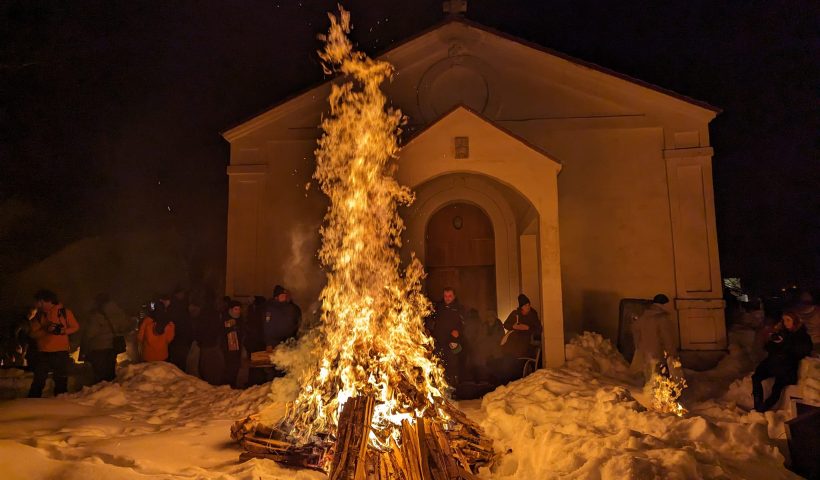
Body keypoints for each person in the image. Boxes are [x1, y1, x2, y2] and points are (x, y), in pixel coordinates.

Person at [752, 311, 813, 412]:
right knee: (756, 377)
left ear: (795, 321)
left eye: (788, 320)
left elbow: (802, 350)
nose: (785, 323)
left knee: (777, 388)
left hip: (787, 368)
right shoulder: (782, 332)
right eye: (784, 320)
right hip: (773, 364)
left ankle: (763, 408)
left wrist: (785, 343)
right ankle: (757, 405)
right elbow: (768, 348)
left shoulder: (801, 335)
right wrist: (773, 341)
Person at [28, 289, 80, 397]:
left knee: (60, 380)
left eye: (38, 301)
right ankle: (32, 403)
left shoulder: (64, 312)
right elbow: (32, 334)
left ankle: (60, 404)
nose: (36, 304)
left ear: (44, 301)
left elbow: (75, 327)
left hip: (60, 352)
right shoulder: (39, 315)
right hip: (43, 352)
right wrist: (46, 329)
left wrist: (62, 331)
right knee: (38, 380)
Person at [81, 293, 130, 383]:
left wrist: (84, 349)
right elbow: (125, 327)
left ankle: (101, 394)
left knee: (99, 375)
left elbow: (89, 333)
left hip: (98, 348)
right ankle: (111, 393)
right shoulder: (118, 312)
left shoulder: (96, 315)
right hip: (113, 347)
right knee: (110, 372)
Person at [630, 294, 677, 381]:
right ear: (664, 304)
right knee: (659, 378)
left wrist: (638, 346)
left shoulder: (643, 317)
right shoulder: (662, 318)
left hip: (645, 353)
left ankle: (648, 392)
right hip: (658, 353)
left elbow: (635, 330)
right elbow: (667, 338)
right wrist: (672, 353)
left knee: (649, 377)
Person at [426, 287, 466, 385]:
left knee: (452, 363)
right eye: (445, 296)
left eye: (450, 296)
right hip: (439, 340)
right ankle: (440, 384)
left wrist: (458, 331)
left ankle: (454, 384)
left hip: (452, 340)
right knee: (439, 361)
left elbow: (464, 323)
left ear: (454, 296)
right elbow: (430, 318)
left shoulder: (459, 308)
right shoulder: (438, 307)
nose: (447, 298)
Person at [192, 291, 226, 385]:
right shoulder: (213, 313)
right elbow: (215, 328)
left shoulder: (203, 313)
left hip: (207, 344)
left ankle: (209, 383)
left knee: (206, 366)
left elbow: (199, 329)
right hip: (211, 344)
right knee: (211, 366)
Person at [243, 296, 269, 386]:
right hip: (257, 341)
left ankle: (254, 380)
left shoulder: (253, 311)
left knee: (254, 363)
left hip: (253, 341)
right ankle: (257, 381)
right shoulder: (261, 313)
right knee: (258, 363)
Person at [167, 288, 193, 372]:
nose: (183, 295)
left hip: (175, 339)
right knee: (180, 363)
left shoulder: (172, 305)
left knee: (175, 364)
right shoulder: (181, 306)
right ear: (178, 294)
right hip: (180, 339)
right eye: (182, 293)